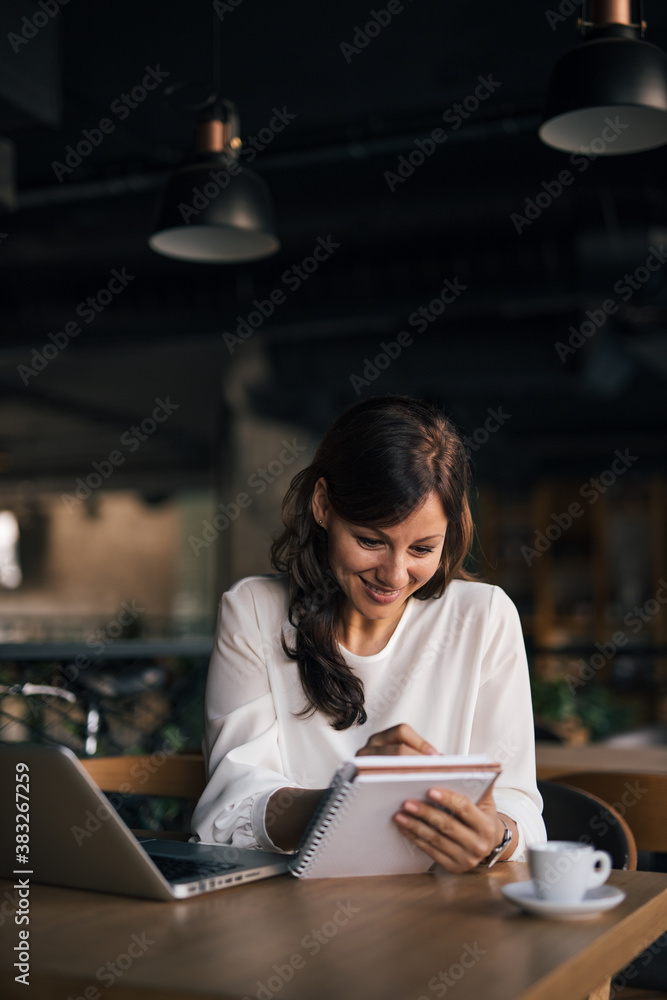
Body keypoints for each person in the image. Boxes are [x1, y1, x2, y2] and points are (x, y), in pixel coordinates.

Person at [191, 396, 545, 872]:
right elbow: (225, 815)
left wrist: (495, 837)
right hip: (292, 914)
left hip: (440, 915)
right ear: (322, 506)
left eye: (423, 548)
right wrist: (348, 794)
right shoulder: (254, 611)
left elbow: (520, 807)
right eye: (371, 541)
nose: (395, 575)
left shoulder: (483, 618)